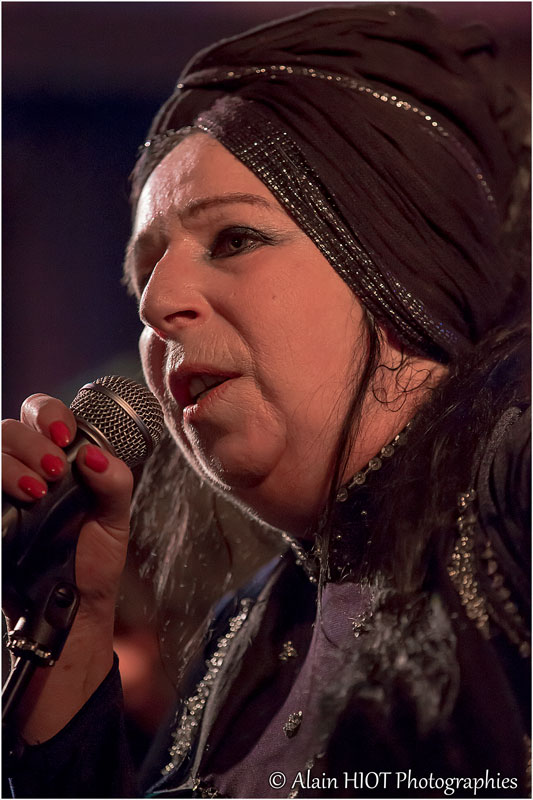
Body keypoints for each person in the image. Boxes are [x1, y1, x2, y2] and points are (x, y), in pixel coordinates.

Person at [2, 4, 530, 798]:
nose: (157, 305)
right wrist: (67, 633)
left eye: (234, 240)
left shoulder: (511, 468)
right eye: (144, 277)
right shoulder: (242, 638)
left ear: (394, 266)